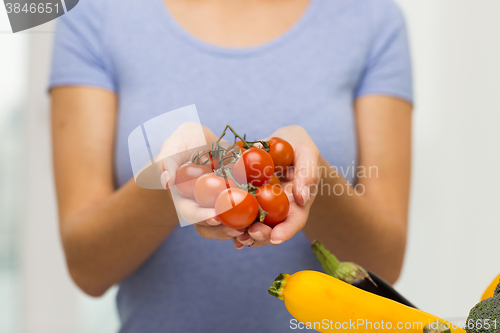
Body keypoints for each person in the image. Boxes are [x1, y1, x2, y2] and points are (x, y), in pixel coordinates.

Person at [49, 0, 413, 331]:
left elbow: (384, 263)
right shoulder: (93, 13)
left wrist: (311, 176)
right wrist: (171, 181)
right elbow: (87, 268)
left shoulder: (371, 17)